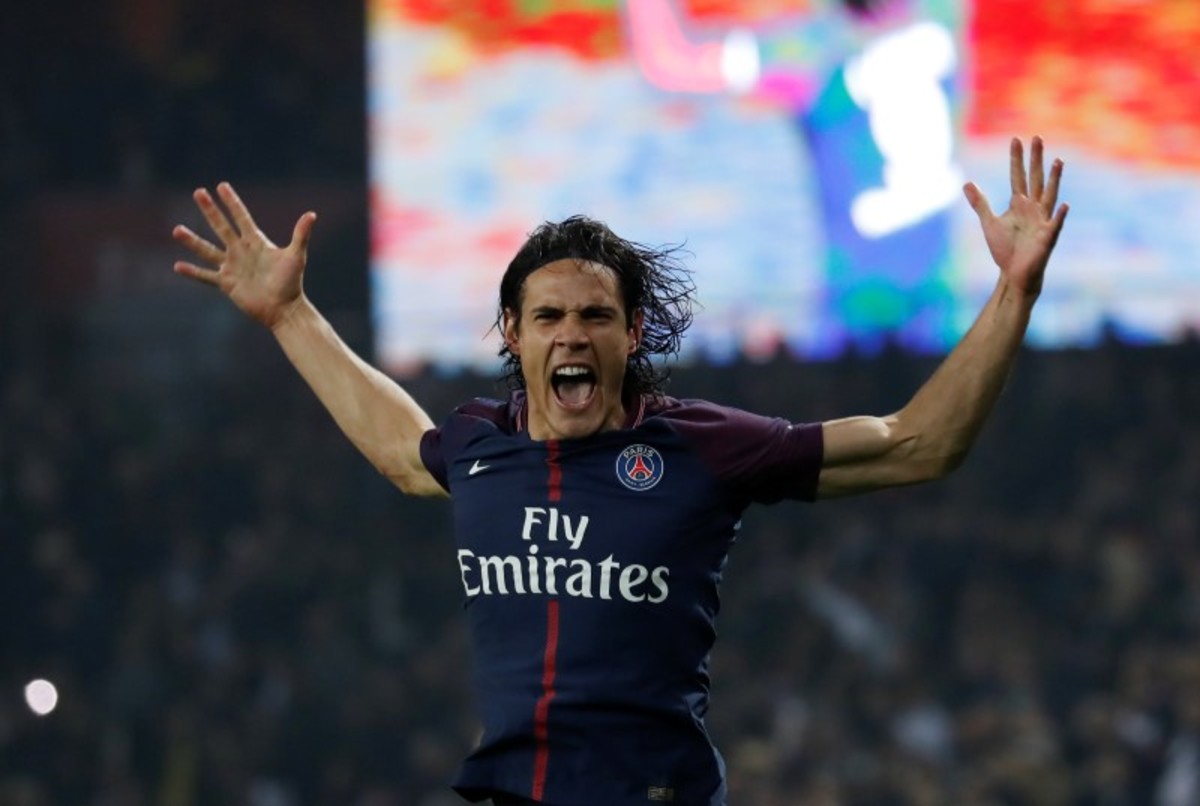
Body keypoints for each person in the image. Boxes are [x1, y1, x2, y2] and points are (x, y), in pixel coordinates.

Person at [172, 136, 1067, 805]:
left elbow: (919, 442)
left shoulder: (702, 446)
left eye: (595, 316)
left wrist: (1014, 289)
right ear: (513, 333)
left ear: (632, 333)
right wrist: (289, 315)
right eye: (549, 316)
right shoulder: (480, 446)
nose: (572, 334)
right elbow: (402, 453)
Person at [625, 0, 962, 355]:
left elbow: (669, 62)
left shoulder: (811, 55)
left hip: (857, 322)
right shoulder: (943, 19)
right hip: (943, 316)